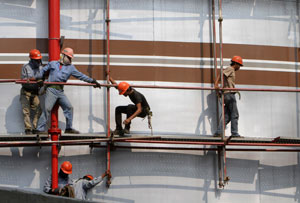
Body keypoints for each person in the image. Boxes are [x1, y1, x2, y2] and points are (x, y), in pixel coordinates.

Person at [35, 47, 101, 134]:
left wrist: (92, 81)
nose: (70, 60)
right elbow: (43, 70)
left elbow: (81, 76)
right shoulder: (53, 64)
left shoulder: (71, 68)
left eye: (70, 58)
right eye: (69, 57)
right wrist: (39, 78)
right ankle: (39, 129)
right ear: (63, 55)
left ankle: (69, 128)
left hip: (60, 91)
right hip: (51, 89)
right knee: (47, 109)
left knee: (69, 107)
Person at [214, 56, 243, 137]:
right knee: (235, 114)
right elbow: (222, 73)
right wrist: (216, 84)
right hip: (229, 94)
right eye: (239, 65)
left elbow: (223, 76)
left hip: (227, 94)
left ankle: (218, 132)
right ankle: (234, 133)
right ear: (236, 64)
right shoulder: (230, 69)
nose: (239, 68)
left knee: (227, 116)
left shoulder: (231, 70)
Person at [20, 49, 44, 135]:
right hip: (26, 92)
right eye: (36, 60)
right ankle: (28, 129)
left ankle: (34, 127)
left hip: (34, 92)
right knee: (26, 111)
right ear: (31, 59)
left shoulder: (41, 68)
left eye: (39, 60)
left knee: (39, 110)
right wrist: (36, 79)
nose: (38, 62)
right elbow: (23, 80)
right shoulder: (25, 67)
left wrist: (41, 82)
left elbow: (42, 78)